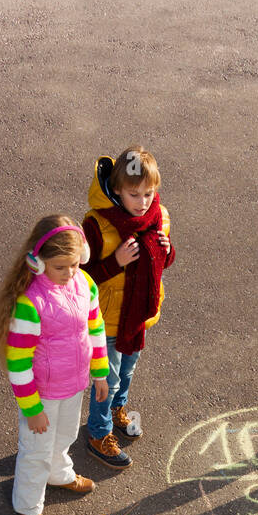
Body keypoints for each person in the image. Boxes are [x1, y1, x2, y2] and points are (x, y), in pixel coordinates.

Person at [0, 216, 109, 515]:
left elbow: (96, 328)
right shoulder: (31, 302)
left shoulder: (85, 283)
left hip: (73, 385)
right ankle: (28, 507)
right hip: (42, 394)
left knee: (65, 437)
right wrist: (32, 409)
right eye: (60, 267)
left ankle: (59, 475)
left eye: (74, 264)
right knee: (35, 451)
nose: (70, 273)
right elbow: (18, 365)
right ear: (37, 261)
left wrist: (100, 373)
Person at [82, 147, 176, 470]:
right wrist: (115, 263)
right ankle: (98, 433)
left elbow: (162, 262)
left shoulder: (158, 217)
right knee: (105, 379)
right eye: (134, 194)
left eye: (149, 193)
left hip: (137, 314)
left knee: (126, 372)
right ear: (116, 189)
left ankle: (117, 410)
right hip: (106, 320)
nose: (143, 201)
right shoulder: (97, 225)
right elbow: (78, 276)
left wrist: (167, 250)